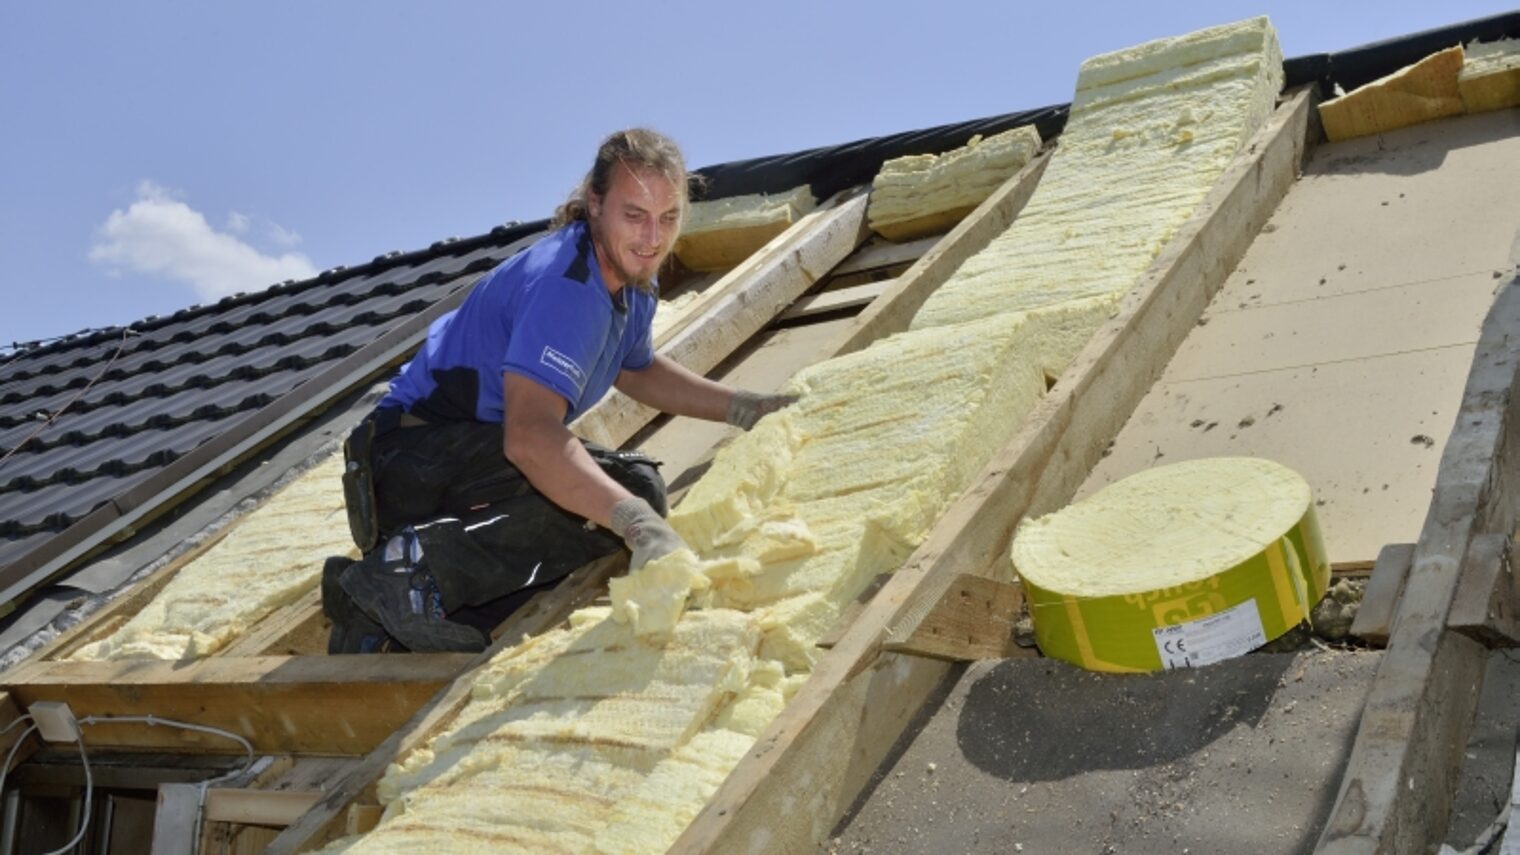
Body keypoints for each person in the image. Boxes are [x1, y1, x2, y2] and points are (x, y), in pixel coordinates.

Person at [324, 128, 794, 654]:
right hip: (411, 459)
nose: (653, 238)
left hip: (454, 462)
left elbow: (634, 369)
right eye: (634, 214)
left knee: (616, 495)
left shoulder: (632, 277)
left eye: (668, 218)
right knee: (621, 496)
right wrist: (638, 524)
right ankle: (408, 570)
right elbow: (528, 438)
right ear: (594, 204)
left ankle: (374, 608)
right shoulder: (566, 289)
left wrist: (743, 407)